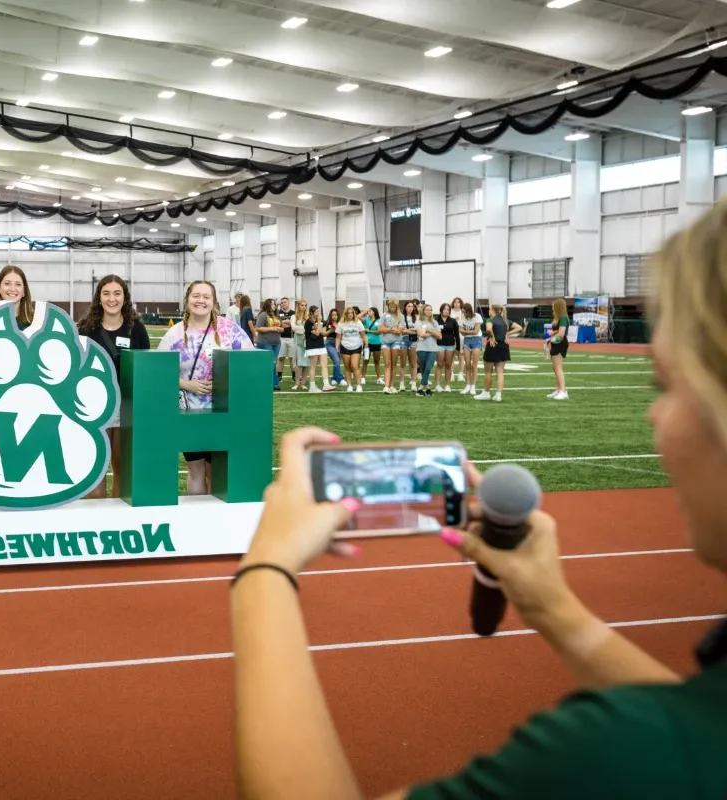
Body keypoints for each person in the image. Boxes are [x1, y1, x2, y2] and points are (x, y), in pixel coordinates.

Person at [231, 203, 727, 799]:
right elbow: (695, 722)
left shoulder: (613, 748)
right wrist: (555, 611)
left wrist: (265, 570)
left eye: (666, 385)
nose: (655, 415)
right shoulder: (678, 726)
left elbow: (667, 738)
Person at [157, 280, 254, 495]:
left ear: (214, 301)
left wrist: (226, 385)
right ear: (187, 299)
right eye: (196, 296)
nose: (200, 300)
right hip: (189, 413)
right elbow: (158, 373)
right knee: (196, 469)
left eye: (206, 296)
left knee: (217, 471)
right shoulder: (174, 334)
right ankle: (196, 519)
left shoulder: (230, 330)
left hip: (224, 414)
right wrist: (185, 384)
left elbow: (250, 364)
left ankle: (216, 522)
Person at [77, 274, 151, 499]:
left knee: (122, 467)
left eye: (117, 293)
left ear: (124, 298)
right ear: (99, 298)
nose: (112, 299)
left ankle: (117, 519)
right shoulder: (85, 329)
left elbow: (146, 367)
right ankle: (95, 520)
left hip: (126, 406)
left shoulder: (136, 329)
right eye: (106, 293)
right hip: (93, 407)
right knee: (96, 469)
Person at [474, 304, 523, 402]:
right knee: (500, 371)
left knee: (488, 372)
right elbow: (519, 328)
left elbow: (488, 329)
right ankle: (498, 395)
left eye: (489, 310)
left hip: (493, 346)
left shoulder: (490, 320)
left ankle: (486, 393)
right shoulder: (506, 321)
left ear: (492, 310)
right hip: (504, 346)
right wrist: (507, 334)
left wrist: (491, 337)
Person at [254, 299, 284, 391]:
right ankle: (269, 383)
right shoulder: (263, 315)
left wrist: (280, 329)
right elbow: (258, 328)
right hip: (265, 342)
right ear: (267, 305)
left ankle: (274, 383)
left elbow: (282, 328)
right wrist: (273, 329)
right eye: (272, 304)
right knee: (269, 363)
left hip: (276, 342)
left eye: (274, 304)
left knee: (273, 363)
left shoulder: (276, 315)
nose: (274, 306)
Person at [335, 306, 366, 393]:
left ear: (354, 314)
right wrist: (337, 346)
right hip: (345, 346)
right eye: (348, 313)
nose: (350, 315)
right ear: (345, 314)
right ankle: (349, 385)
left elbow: (363, 334)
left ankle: (359, 385)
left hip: (356, 346)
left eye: (351, 313)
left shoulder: (358, 322)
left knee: (354, 366)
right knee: (347, 367)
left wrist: (366, 343)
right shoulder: (341, 324)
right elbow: (338, 337)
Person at [414, 302, 442, 397]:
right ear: (423, 311)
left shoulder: (435, 322)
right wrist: (433, 333)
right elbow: (421, 334)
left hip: (433, 348)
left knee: (428, 368)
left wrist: (429, 331)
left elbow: (440, 336)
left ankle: (421, 387)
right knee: (423, 368)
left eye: (430, 310)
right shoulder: (418, 322)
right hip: (421, 348)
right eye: (427, 309)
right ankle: (428, 388)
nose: (429, 311)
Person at [378, 298, 405, 394]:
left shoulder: (401, 316)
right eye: (391, 306)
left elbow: (399, 331)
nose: (392, 308)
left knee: (394, 364)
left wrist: (388, 329)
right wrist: (392, 328)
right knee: (387, 364)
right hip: (385, 341)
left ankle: (392, 385)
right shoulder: (384, 316)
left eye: (394, 306)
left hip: (396, 342)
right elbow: (380, 328)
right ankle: (386, 386)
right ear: (388, 306)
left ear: (397, 306)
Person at [303, 305, 332, 394]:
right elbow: (316, 333)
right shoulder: (308, 323)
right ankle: (312, 386)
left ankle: (326, 384)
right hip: (312, 346)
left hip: (321, 345)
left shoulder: (318, 322)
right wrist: (319, 322)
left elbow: (323, 333)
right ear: (311, 313)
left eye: (318, 311)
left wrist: (330, 329)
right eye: (316, 312)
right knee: (313, 367)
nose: (318, 313)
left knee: (324, 365)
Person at [458, 302, 484, 395]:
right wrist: (467, 332)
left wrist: (465, 331)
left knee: (474, 364)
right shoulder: (462, 319)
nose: (464, 314)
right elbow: (460, 331)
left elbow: (476, 331)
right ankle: (468, 385)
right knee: (467, 364)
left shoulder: (477, 316)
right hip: (466, 341)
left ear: (469, 310)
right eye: (463, 312)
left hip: (476, 340)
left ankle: (473, 386)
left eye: (465, 311)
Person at [548, 297, 571, 401]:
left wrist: (552, 340)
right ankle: (559, 389)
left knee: (558, 367)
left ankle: (563, 391)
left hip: (560, 343)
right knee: (556, 367)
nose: (552, 308)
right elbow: (559, 331)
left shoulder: (563, 317)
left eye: (554, 306)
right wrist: (553, 333)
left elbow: (562, 334)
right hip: (556, 341)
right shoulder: (560, 317)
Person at [436, 302, 459, 392]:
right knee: (439, 365)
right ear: (441, 310)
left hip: (450, 345)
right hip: (439, 345)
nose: (446, 311)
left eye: (448, 309)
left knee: (448, 365)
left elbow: (457, 335)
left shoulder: (453, 321)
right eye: (444, 309)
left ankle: (447, 385)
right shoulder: (436, 320)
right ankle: (438, 385)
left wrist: (457, 348)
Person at [362, 306, 383, 387]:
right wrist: (363, 312)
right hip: (367, 343)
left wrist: (369, 330)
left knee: (377, 361)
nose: (368, 312)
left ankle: (379, 378)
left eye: (370, 311)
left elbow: (379, 332)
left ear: (374, 312)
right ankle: (363, 377)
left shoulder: (379, 320)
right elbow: (357, 318)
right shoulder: (366, 320)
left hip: (377, 342)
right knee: (365, 360)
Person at [323, 308, 345, 387]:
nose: (334, 316)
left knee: (337, 361)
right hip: (329, 342)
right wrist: (330, 331)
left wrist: (338, 329)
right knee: (336, 359)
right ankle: (341, 378)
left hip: (339, 342)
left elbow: (344, 333)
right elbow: (324, 333)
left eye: (335, 315)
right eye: (332, 315)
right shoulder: (327, 323)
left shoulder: (341, 323)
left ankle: (334, 379)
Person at [276, 298, 295, 390]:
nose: (283, 304)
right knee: (281, 358)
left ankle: (294, 376)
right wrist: (288, 323)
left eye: (285, 302)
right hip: (281, 338)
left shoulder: (293, 313)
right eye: (282, 303)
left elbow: (294, 323)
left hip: (292, 338)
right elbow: (278, 323)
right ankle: (279, 376)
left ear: (288, 303)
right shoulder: (277, 313)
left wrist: (285, 322)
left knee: (292, 358)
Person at [292, 299, 309, 391]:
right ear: (298, 306)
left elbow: (310, 328)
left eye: (305, 305)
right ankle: (297, 383)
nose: (304, 307)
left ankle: (303, 383)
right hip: (298, 341)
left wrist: (302, 329)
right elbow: (294, 328)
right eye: (302, 305)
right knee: (298, 362)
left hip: (307, 341)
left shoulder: (308, 317)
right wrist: (303, 329)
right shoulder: (294, 316)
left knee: (306, 363)